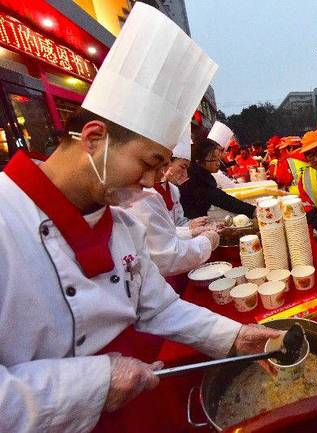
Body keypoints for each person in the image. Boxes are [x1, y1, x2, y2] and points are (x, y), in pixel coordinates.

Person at [0, 4, 279, 433]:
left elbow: (159, 307)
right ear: (94, 138)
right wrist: (93, 383)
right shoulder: (6, 218)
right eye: (148, 163)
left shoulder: (123, 226)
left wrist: (235, 337)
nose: (152, 183)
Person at [126, 126, 220, 277]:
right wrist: (194, 234)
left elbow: (177, 222)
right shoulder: (142, 196)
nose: (185, 174)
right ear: (167, 164)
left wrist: (193, 225)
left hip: (180, 258)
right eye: (182, 167)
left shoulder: (174, 191)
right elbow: (164, 251)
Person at [180, 123, 256, 219]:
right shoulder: (197, 179)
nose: (218, 163)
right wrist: (253, 211)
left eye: (218, 159)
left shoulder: (203, 174)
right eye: (213, 159)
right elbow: (223, 200)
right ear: (200, 161)